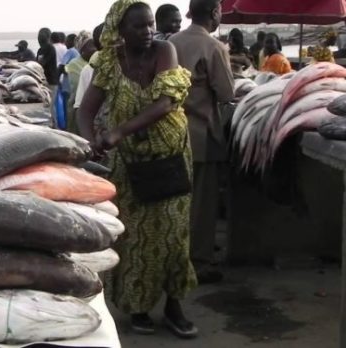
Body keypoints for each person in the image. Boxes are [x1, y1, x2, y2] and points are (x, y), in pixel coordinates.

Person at [78, 0, 198, 338]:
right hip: (127, 165)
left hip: (170, 158)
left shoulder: (165, 51)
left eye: (149, 24)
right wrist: (91, 144)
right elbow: (86, 111)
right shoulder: (108, 63)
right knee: (132, 238)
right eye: (138, 26)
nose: (147, 31)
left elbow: (164, 103)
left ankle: (175, 305)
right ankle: (138, 306)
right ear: (120, 30)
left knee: (175, 235)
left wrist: (118, 131)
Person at [170, 0, 234, 285]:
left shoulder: (171, 42)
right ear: (214, 13)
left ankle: (173, 257)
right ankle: (198, 262)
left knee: (176, 202)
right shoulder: (214, 47)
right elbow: (226, 92)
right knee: (202, 204)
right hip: (201, 136)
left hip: (171, 134)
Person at [65, 38, 96, 133]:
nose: (94, 49)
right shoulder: (74, 64)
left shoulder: (94, 63)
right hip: (76, 105)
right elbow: (76, 86)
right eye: (91, 47)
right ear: (82, 51)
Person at [37, 28, 59, 125]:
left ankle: (54, 124)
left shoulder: (50, 48)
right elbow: (37, 64)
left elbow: (42, 63)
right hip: (43, 81)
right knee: (47, 104)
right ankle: (51, 123)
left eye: (41, 37)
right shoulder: (40, 50)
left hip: (51, 81)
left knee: (51, 105)